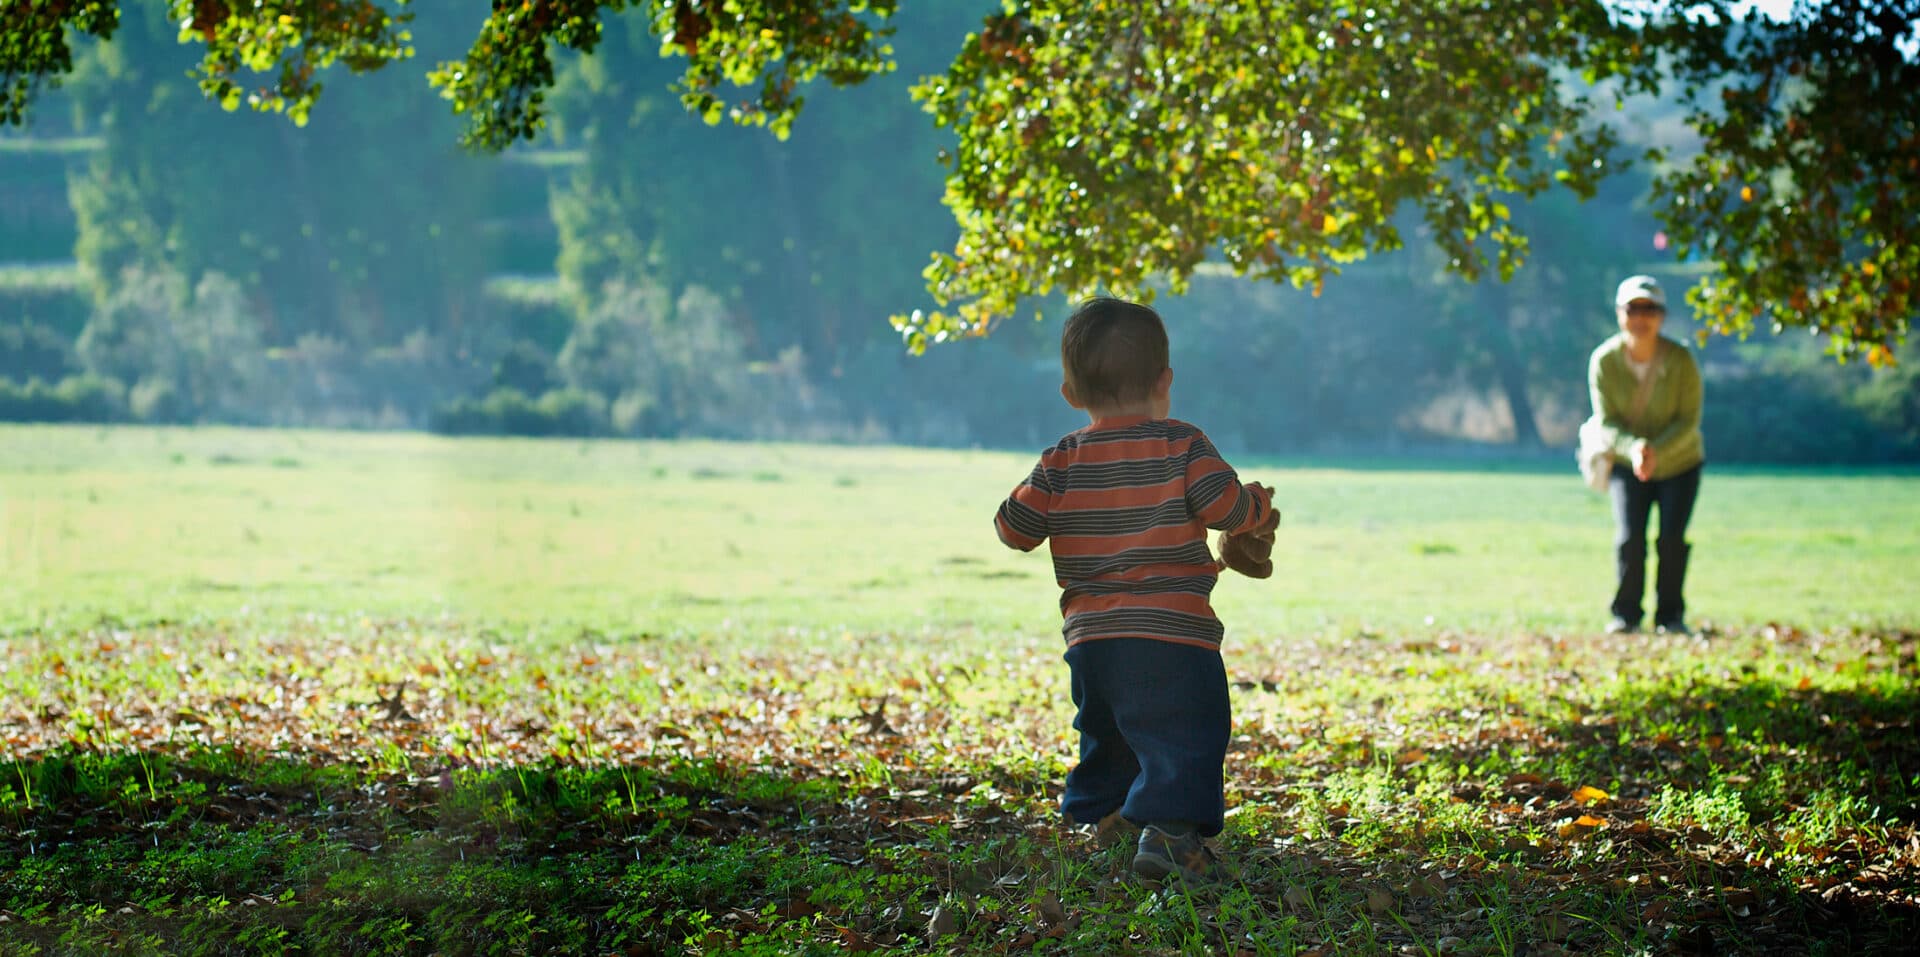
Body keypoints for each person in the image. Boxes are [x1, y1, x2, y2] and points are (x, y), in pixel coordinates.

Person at [993, 297, 1278, 884]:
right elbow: (1224, 508)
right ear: (1165, 382)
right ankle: (1170, 835)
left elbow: (1013, 528)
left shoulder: (1060, 459)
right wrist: (1256, 505)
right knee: (1186, 732)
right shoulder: (1183, 444)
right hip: (1173, 633)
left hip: (1092, 640)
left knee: (1110, 729)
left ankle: (1110, 817)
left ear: (1070, 393)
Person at [1583, 275, 1705, 635]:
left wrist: (1656, 451)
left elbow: (1689, 421)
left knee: (1671, 540)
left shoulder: (1681, 360)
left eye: (1649, 309)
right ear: (1619, 313)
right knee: (1629, 538)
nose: (1641, 317)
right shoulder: (1605, 361)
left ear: (1662, 315)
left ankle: (1670, 616)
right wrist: (1634, 448)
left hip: (1680, 463)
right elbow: (1606, 421)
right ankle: (1626, 615)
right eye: (1633, 309)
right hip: (1626, 463)